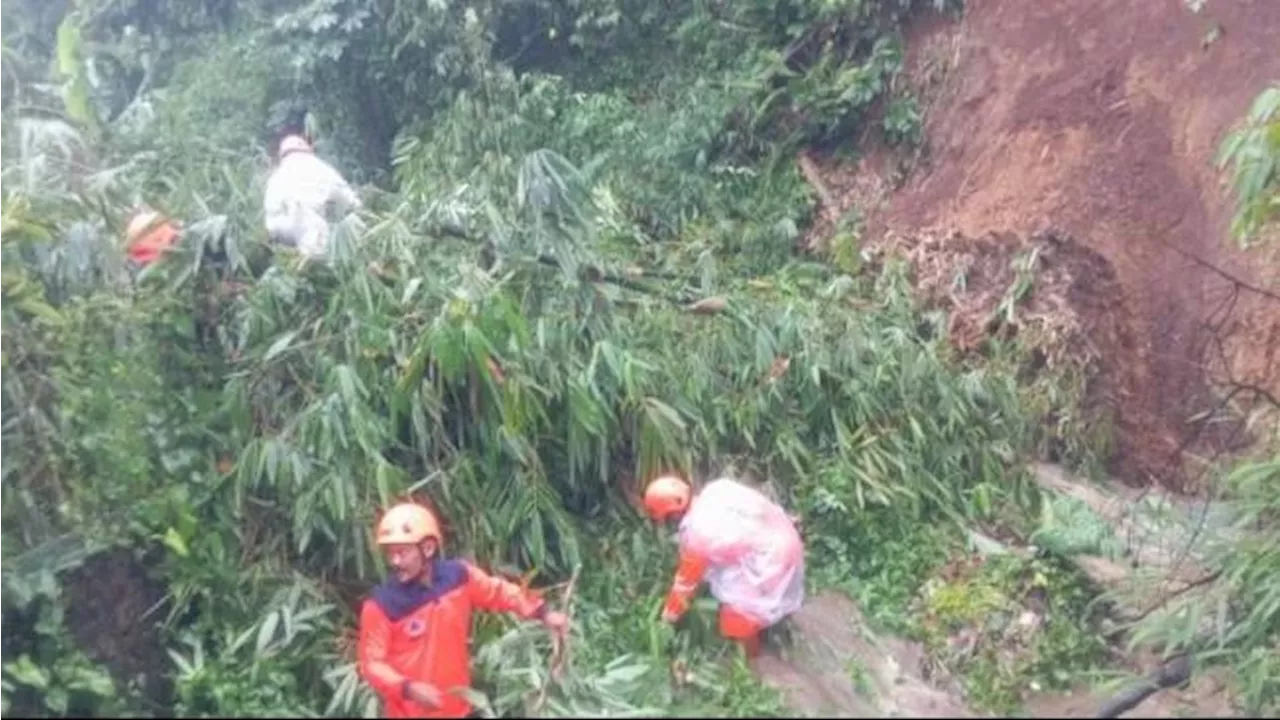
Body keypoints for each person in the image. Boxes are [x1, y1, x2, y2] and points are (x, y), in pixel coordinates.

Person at [357, 502, 568, 718]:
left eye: (402, 552)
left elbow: (499, 592)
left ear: (428, 548)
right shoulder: (382, 604)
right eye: (390, 554)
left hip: (458, 709)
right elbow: (372, 664)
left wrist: (543, 612)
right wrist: (407, 688)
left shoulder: (458, 577)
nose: (395, 561)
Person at [643, 474, 805, 659]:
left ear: (673, 514)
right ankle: (776, 624)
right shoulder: (717, 490)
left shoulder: (698, 536)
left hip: (771, 559)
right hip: (785, 536)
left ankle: (749, 662)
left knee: (737, 620)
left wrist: (667, 618)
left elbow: (685, 584)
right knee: (763, 597)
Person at [262, 134, 361, 260]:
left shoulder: (276, 178)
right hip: (323, 227)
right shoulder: (322, 168)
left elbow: (271, 218)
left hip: (292, 231)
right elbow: (348, 199)